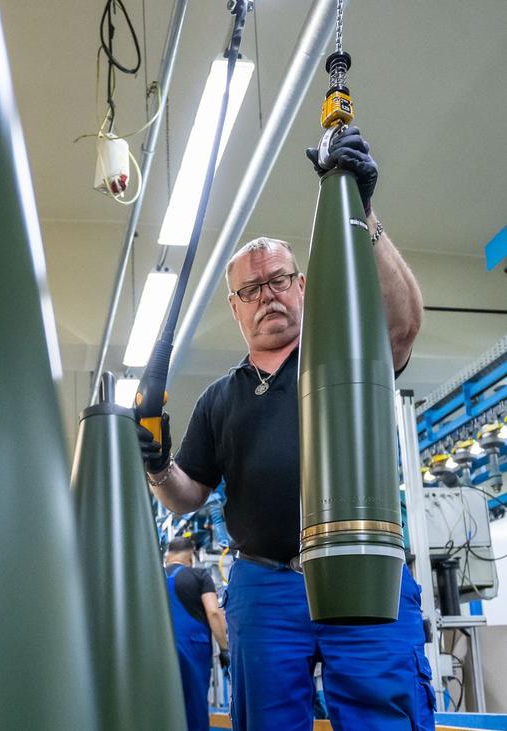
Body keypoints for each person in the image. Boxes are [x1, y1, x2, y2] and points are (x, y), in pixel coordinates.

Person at [137, 127, 433, 731]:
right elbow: (188, 494)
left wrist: (365, 211)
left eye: (278, 280)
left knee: (386, 715)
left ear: (301, 285)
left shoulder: (346, 354)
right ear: (235, 306)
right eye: (250, 289)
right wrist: (158, 465)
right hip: (264, 585)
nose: (266, 296)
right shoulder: (220, 397)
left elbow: (402, 327)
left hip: (361, 570)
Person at [163, 535, 229, 731]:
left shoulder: (153, 576)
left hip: (159, 648)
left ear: (168, 555)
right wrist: (224, 649)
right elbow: (214, 612)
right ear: (191, 556)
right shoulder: (199, 576)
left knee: (162, 705)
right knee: (194, 707)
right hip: (192, 648)